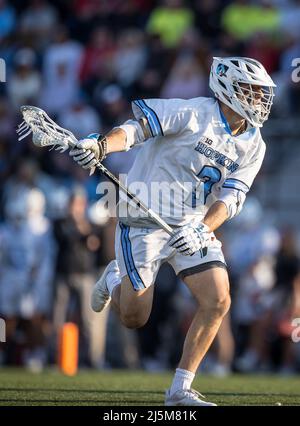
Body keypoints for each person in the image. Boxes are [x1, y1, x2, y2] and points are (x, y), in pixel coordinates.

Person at [69, 56, 276, 406]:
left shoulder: (255, 144)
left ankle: (180, 389)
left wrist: (202, 229)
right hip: (143, 219)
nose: (258, 100)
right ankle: (114, 279)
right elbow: (135, 130)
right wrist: (102, 145)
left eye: (260, 93)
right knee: (135, 317)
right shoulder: (193, 112)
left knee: (218, 300)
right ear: (227, 89)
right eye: (250, 91)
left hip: (190, 225)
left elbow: (232, 198)